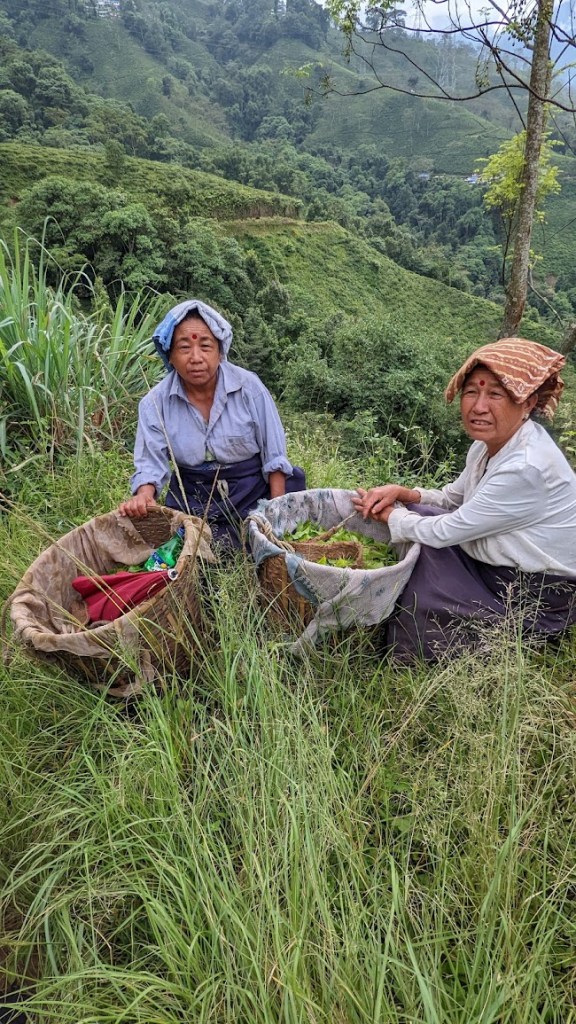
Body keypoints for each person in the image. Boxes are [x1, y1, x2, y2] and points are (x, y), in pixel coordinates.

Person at [353, 337, 576, 662]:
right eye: (471, 391)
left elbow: (447, 530)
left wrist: (391, 517)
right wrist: (404, 494)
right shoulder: (488, 445)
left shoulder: (526, 468)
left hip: (530, 591)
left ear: (527, 403)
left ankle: (416, 652)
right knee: (417, 514)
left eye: (496, 394)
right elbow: (453, 498)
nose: (478, 406)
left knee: (423, 590)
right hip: (496, 558)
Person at [119, 298, 305, 546]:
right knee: (183, 546)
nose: (196, 357)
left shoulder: (250, 388)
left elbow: (275, 456)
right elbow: (150, 463)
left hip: (251, 489)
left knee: (271, 529)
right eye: (184, 348)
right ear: (170, 355)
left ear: (220, 352)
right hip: (194, 495)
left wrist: (273, 517)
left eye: (205, 346)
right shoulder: (155, 403)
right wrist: (144, 496)